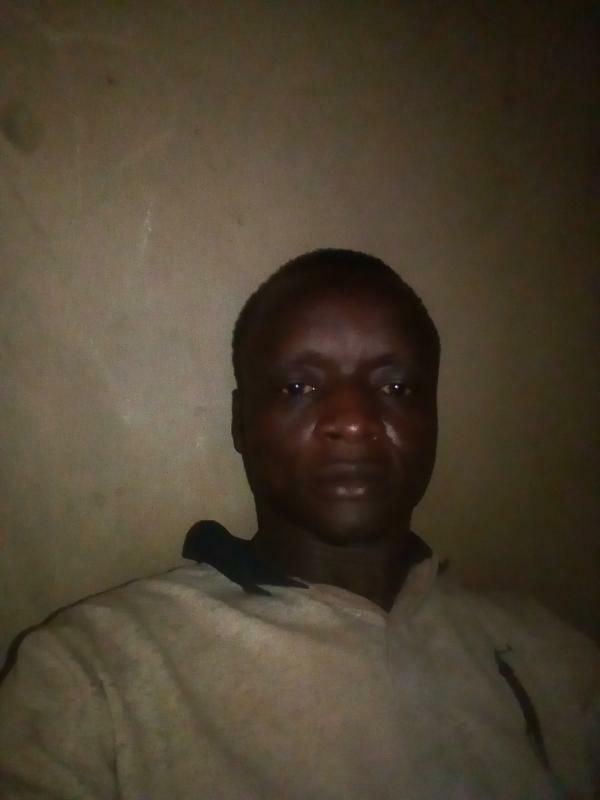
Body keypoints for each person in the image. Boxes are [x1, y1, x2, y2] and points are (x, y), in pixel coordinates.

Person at [0, 249, 597, 799]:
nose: (354, 420)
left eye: (396, 386)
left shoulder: (552, 660)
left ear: (432, 416)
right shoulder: (92, 673)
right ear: (240, 421)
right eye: (298, 387)